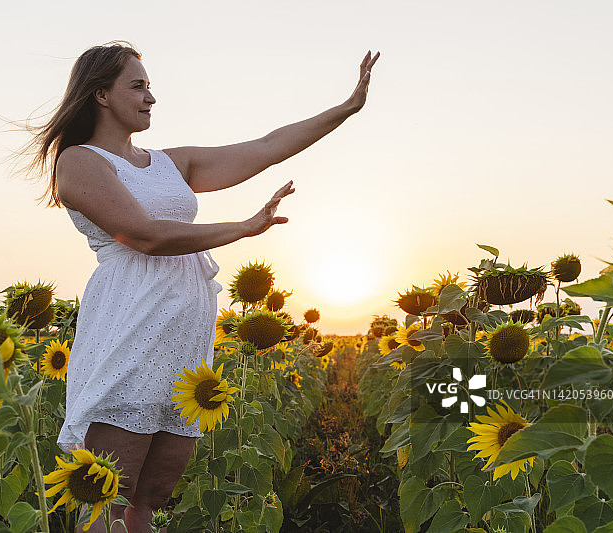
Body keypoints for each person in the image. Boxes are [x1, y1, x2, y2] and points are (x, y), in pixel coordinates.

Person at [28, 41, 379, 532]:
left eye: (149, 86)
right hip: (129, 327)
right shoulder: (80, 162)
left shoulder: (172, 163)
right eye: (138, 86)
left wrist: (347, 107)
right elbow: (143, 236)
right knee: (108, 492)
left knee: (152, 494)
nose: (151, 97)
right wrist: (241, 227)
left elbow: (266, 147)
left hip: (183, 337)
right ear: (101, 95)